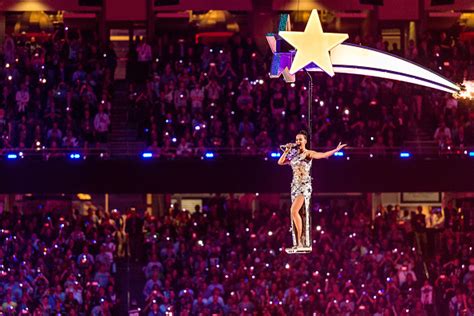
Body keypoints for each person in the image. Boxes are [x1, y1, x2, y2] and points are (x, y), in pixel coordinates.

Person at [277, 130, 346, 252]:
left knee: (293, 211)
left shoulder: (308, 153)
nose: (298, 141)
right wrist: (287, 150)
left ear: (305, 141)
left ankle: (300, 242)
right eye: (296, 139)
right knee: (294, 213)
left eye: (300, 139)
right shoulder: (293, 154)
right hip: (294, 186)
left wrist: (336, 150)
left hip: (304, 185)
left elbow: (323, 155)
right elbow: (280, 162)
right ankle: (299, 242)